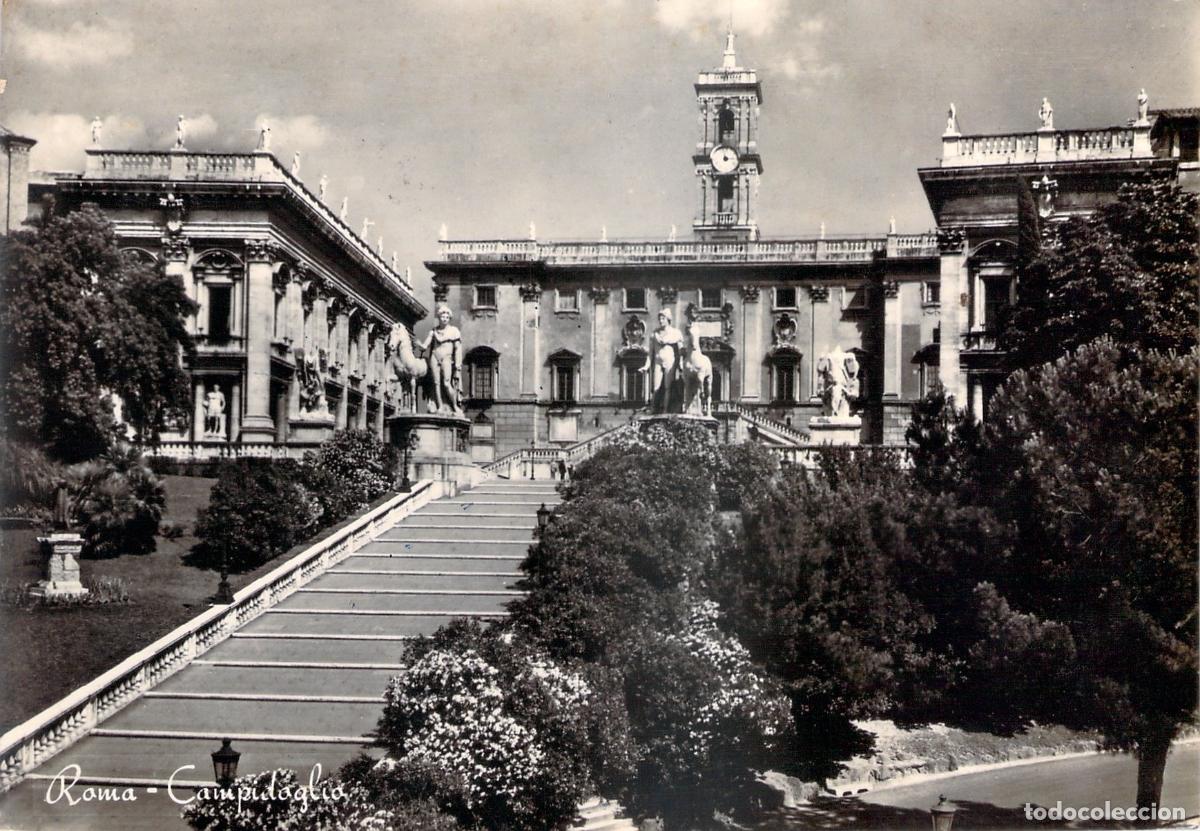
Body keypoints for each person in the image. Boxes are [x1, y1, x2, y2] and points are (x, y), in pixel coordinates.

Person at [421, 304, 462, 414]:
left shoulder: (454, 331)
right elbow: (425, 346)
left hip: (447, 358)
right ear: (439, 318)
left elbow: (458, 349)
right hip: (435, 356)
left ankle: (454, 406)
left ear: (449, 319)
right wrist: (421, 345)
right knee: (436, 383)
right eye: (442, 317)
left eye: (447, 317)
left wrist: (458, 366)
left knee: (447, 383)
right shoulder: (433, 331)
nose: (444, 319)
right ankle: (439, 406)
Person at [640, 308, 684, 414]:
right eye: (659, 318)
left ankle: (665, 410)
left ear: (668, 319)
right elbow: (650, 353)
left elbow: (680, 351)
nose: (660, 320)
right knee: (656, 386)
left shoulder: (675, 333)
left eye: (663, 318)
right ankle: (653, 408)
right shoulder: (655, 334)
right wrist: (646, 366)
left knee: (668, 386)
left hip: (670, 361)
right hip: (658, 361)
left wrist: (681, 364)